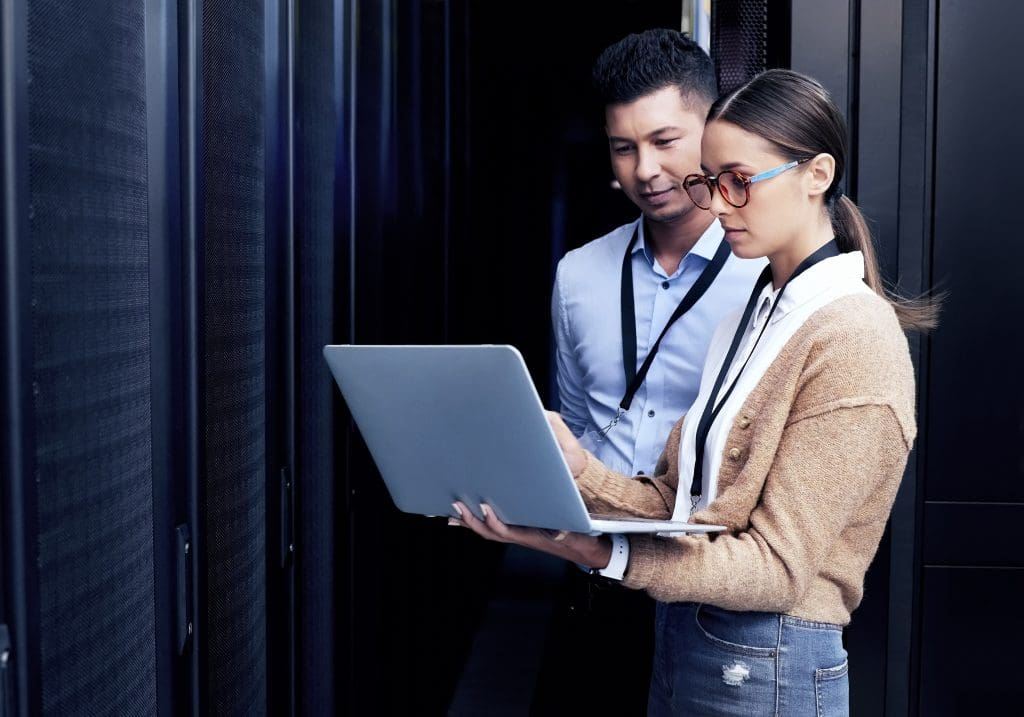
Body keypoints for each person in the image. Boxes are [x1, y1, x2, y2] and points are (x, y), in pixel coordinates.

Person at [451, 68, 939, 716]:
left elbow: (776, 568)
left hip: (771, 659)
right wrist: (578, 470)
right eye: (710, 182)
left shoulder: (855, 335)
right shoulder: (758, 313)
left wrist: (600, 549)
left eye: (739, 181)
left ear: (816, 174)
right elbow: (681, 503)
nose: (718, 204)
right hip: (691, 636)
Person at [540, 29, 765, 714]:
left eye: (666, 141)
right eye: (624, 146)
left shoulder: (766, 275)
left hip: (711, 586)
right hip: (594, 575)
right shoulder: (578, 273)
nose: (645, 169)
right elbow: (574, 423)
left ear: (714, 131)